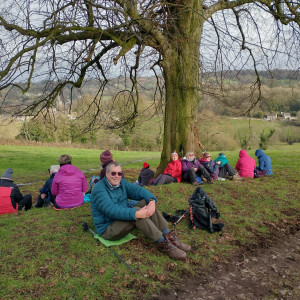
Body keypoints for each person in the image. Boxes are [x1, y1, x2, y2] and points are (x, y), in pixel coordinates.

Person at [90, 162, 191, 261]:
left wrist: (151, 201)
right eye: (113, 173)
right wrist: (136, 214)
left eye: (119, 173)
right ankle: (164, 243)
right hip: (108, 229)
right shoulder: (99, 190)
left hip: (120, 220)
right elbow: (111, 211)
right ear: (107, 174)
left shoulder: (121, 183)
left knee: (144, 202)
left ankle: (170, 236)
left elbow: (138, 190)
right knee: (137, 213)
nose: (116, 176)